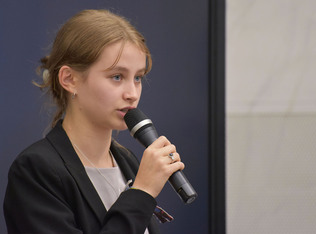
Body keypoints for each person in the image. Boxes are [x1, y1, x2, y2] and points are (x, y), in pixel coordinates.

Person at [3, 9, 184, 234]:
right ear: (69, 79)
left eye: (137, 78)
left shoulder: (126, 161)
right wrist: (142, 193)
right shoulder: (36, 171)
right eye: (117, 76)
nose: (132, 93)